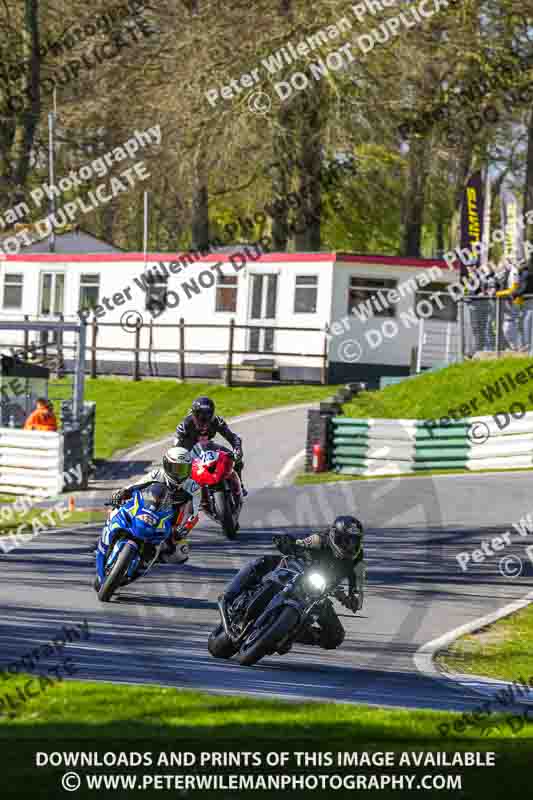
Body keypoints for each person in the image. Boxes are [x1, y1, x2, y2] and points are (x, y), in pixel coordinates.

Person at [220, 515, 366, 650]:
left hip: (318, 593)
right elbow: (299, 543)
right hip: (295, 573)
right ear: (335, 535)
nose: (349, 546)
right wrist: (288, 543)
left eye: (354, 542)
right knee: (261, 562)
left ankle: (289, 633)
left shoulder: (357, 560)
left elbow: (359, 585)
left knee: (336, 636)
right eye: (346, 540)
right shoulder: (320, 539)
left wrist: (353, 599)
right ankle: (229, 595)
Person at [95, 446, 201, 591]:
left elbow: (194, 513)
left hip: (170, 519)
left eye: (182, 469)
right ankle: (108, 539)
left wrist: (183, 529)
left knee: (180, 554)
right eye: (175, 468)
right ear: (166, 465)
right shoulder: (157, 474)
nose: (178, 473)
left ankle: (149, 558)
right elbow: (135, 486)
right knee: (116, 511)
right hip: (146, 508)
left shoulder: (193, 487)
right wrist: (122, 493)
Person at [174, 396, 246, 495]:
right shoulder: (185, 426)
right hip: (191, 448)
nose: (203, 419)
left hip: (208, 446)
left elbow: (233, 437)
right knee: (180, 471)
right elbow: (176, 449)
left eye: (208, 415)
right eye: (199, 415)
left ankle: (240, 484)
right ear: (193, 414)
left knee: (235, 458)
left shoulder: (217, 421)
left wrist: (237, 449)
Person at [496, 258, 523, 350]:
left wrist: (499, 294)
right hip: (509, 302)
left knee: (510, 326)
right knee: (507, 326)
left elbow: (514, 289)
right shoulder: (507, 273)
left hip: (515, 302)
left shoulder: (514, 271)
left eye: (503, 264)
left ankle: (517, 346)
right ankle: (515, 346)